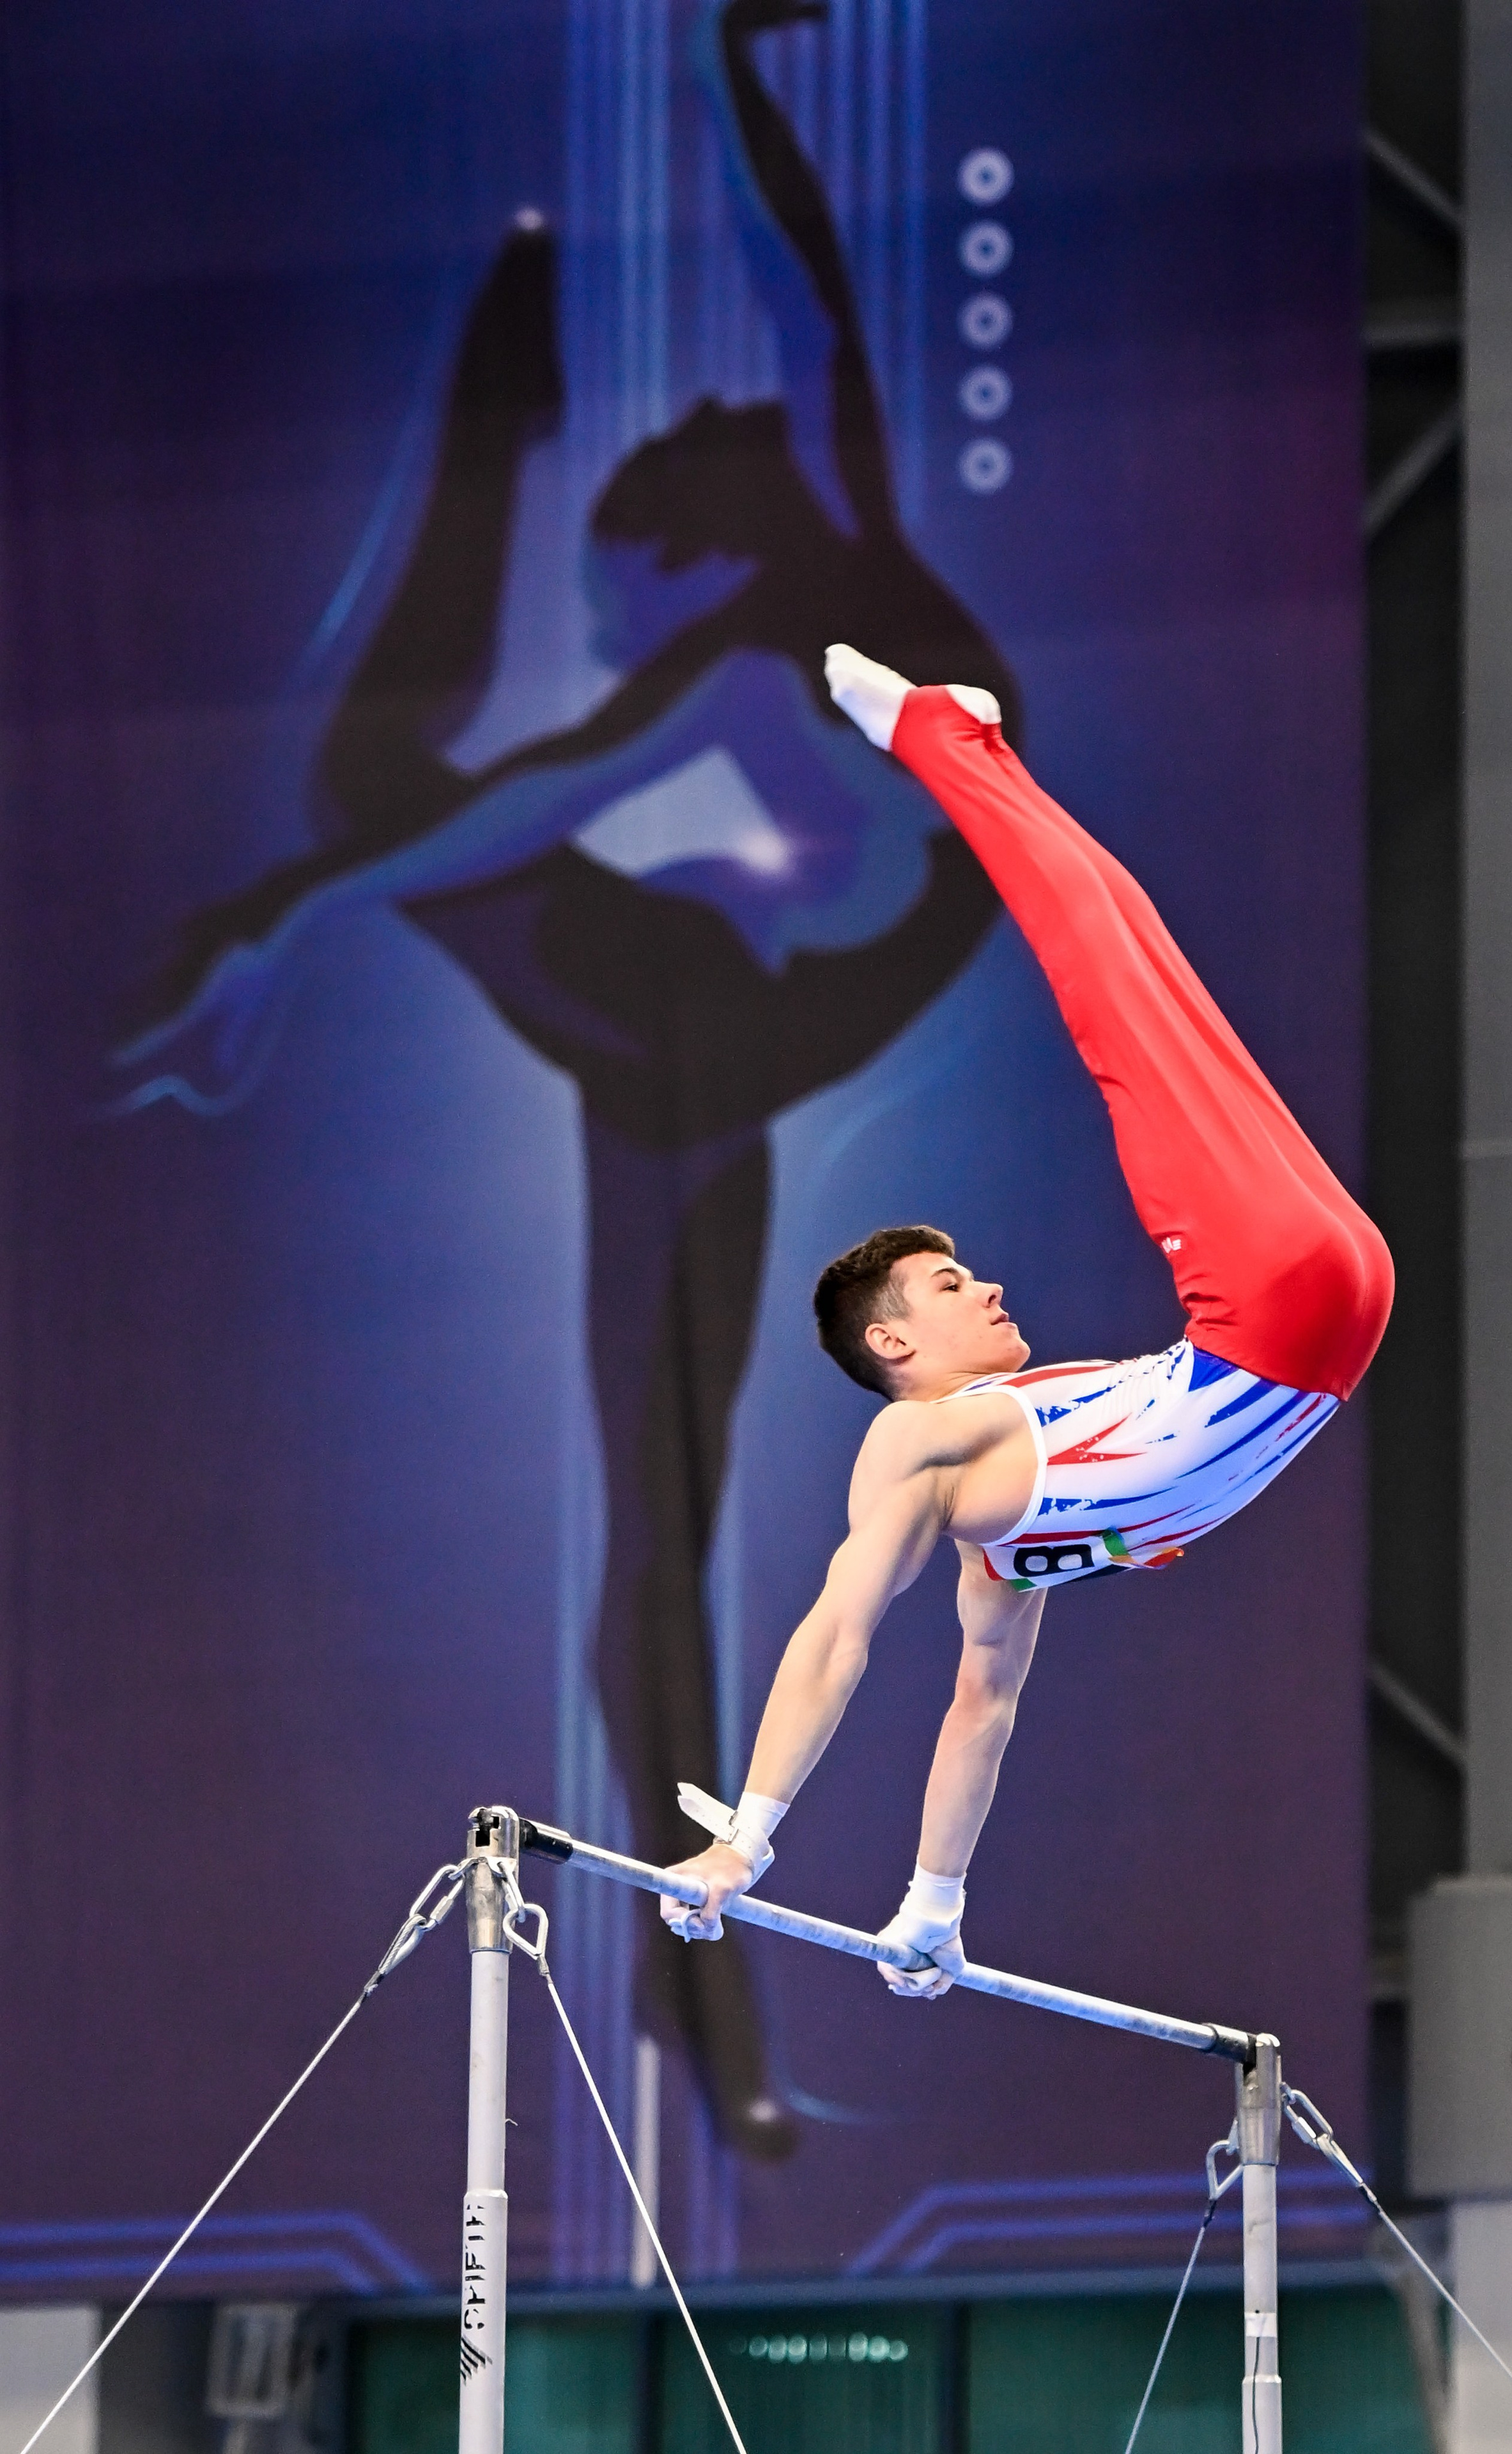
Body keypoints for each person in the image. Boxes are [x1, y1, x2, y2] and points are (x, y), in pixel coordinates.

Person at [120, 3, 1016, 2152]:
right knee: (666, 1526)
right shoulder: (835, 579)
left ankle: (719, 1999)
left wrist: (727, 70)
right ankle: (718, 1997)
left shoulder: (800, 608)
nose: (628, 646)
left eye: (624, 605)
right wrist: (294, 923)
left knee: (373, 785)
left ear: (697, 556)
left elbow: (802, 280)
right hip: (690, 1030)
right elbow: (519, 803)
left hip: (709, 1031)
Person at [660, 645, 1395, 1996]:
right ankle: (959, 743)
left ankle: (953, 740)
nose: (986, 1288)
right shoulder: (946, 1481)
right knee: (1120, 973)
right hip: (1311, 1312)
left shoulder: (968, 1457)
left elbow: (884, 1653)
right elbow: (939, 1689)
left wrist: (756, 1849)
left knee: (1118, 971)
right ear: (892, 1348)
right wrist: (923, 1904)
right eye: (946, 1288)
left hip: (1281, 1301)